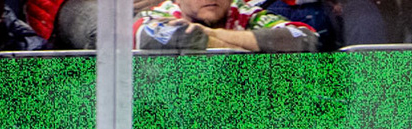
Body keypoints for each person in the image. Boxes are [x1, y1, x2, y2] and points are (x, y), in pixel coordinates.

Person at [133, 0, 319, 50]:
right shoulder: (160, 13)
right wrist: (251, 49)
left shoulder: (243, 13)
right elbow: (183, 38)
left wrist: (209, 34)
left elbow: (305, 38)